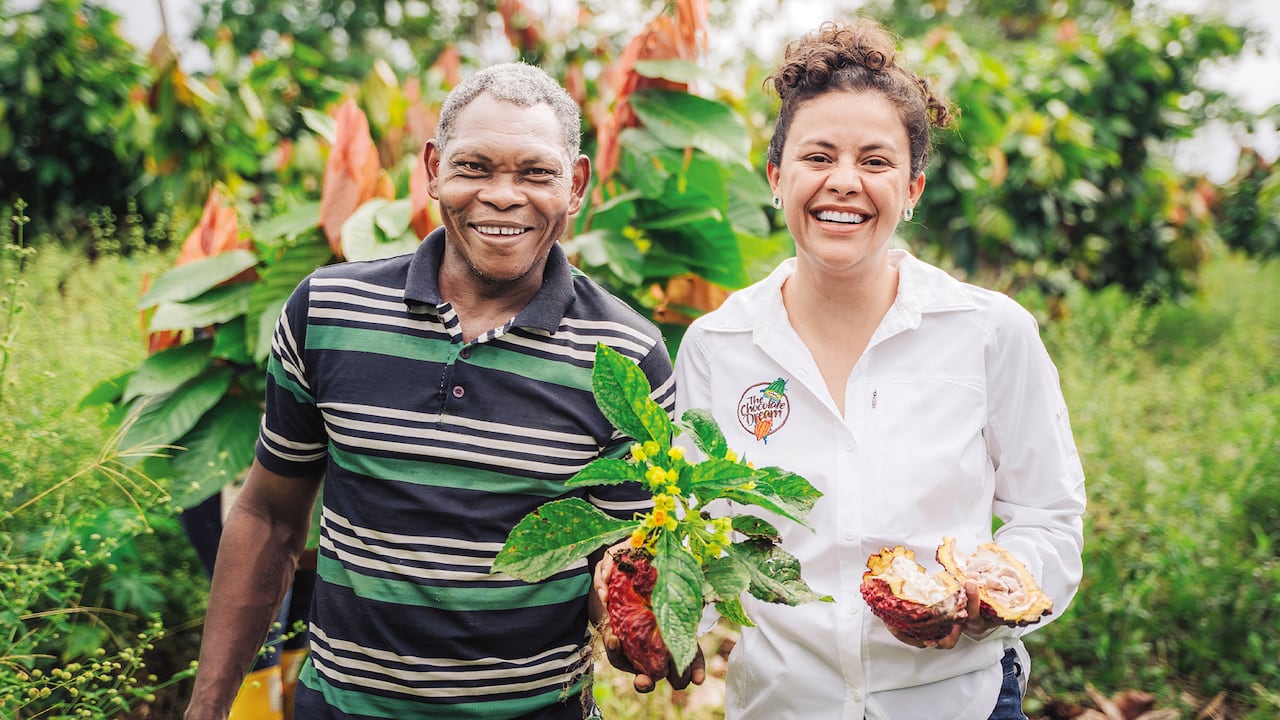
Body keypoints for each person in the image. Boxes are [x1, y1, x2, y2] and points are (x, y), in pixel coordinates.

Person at [184, 61, 683, 720]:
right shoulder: (328, 312)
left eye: (537, 172)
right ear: (432, 170)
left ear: (578, 184)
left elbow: (616, 558)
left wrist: (633, 628)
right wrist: (208, 706)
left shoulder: (626, 356)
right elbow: (270, 517)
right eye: (474, 167)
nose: (504, 196)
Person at [668, 18, 1087, 720]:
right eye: (817, 156)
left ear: (913, 188)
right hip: (780, 703)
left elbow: (1047, 515)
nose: (844, 183)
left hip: (960, 700)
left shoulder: (988, 332)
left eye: (875, 161)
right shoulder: (719, 344)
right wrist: (672, 621)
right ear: (777, 176)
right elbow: (699, 528)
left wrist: (988, 597)